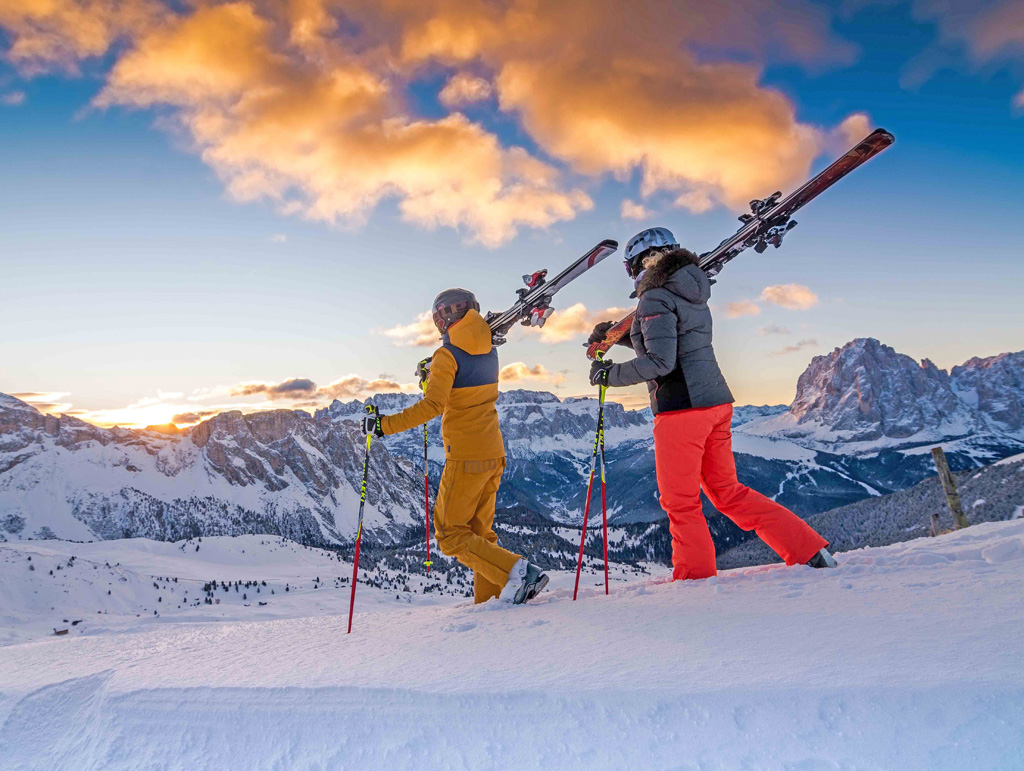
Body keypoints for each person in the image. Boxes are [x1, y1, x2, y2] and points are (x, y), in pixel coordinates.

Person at [586, 227, 838, 581]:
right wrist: (623, 336)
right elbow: (675, 343)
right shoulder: (689, 290)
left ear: (639, 264)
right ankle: (808, 549)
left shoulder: (655, 297)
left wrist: (608, 375)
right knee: (727, 492)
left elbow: (661, 362)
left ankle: (694, 581)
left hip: (681, 409)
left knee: (680, 502)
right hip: (714, 403)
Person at [362, 288, 549, 604]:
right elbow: (462, 388)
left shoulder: (446, 356)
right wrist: (432, 374)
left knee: (450, 535)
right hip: (494, 453)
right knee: (480, 536)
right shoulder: (489, 348)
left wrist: (383, 426)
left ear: (440, 319)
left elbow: (433, 405)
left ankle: (519, 573)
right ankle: (493, 602)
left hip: (466, 457)